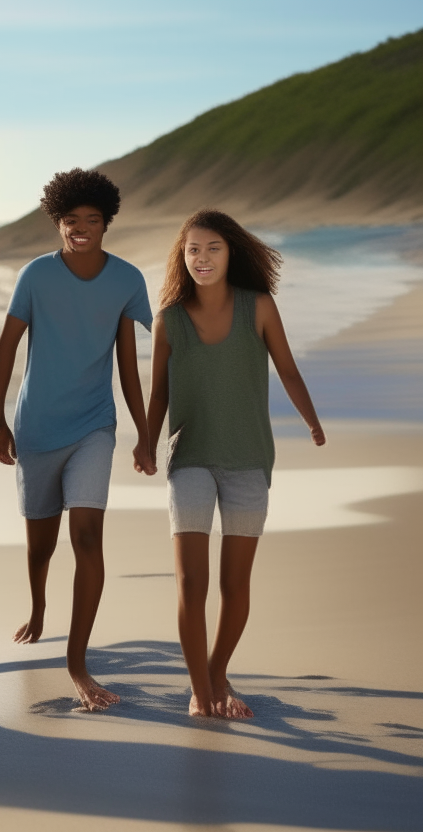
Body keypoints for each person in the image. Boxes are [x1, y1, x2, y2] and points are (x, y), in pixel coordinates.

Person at [0, 169, 155, 711]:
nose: (80, 227)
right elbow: (7, 347)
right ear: (58, 223)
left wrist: (145, 431)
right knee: (41, 545)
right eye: (70, 220)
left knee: (86, 537)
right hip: (36, 427)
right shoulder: (36, 275)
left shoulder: (127, 280)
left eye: (91, 219)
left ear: (106, 223)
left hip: (93, 426)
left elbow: (128, 365)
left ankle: (78, 662)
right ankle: (38, 608)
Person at [147, 209, 324, 719]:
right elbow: (158, 394)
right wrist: (144, 444)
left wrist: (312, 421)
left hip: (249, 459)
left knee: (234, 585)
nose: (201, 259)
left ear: (231, 253)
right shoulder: (169, 320)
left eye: (212, 249)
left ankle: (218, 669)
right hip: (191, 458)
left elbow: (287, 370)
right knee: (190, 583)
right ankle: (202, 694)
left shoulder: (258, 307)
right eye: (193, 251)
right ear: (182, 258)